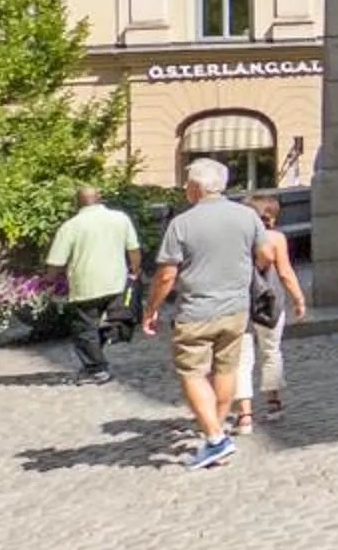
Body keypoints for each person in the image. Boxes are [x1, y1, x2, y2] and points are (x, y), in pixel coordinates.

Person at [139, 157, 265, 471]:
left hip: (196, 309)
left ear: (196, 188)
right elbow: (263, 254)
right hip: (236, 308)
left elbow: (166, 274)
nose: (184, 188)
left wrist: (150, 309)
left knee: (192, 373)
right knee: (226, 369)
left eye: (187, 183)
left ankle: (214, 437)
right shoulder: (247, 217)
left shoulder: (182, 223)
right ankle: (217, 433)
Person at [43, 185, 143, 381]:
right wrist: (134, 269)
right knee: (112, 319)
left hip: (85, 285)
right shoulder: (120, 219)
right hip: (116, 281)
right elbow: (133, 248)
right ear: (100, 198)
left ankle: (95, 368)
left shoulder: (71, 226)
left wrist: (49, 281)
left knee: (84, 328)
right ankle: (109, 338)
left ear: (77, 202)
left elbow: (56, 261)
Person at [232, 192, 308, 432]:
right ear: (272, 217)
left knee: (241, 360)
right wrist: (298, 298)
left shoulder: (236, 240)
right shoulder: (275, 239)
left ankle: (244, 416)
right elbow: (285, 272)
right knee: (271, 351)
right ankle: (274, 403)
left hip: (240, 302)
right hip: (270, 301)